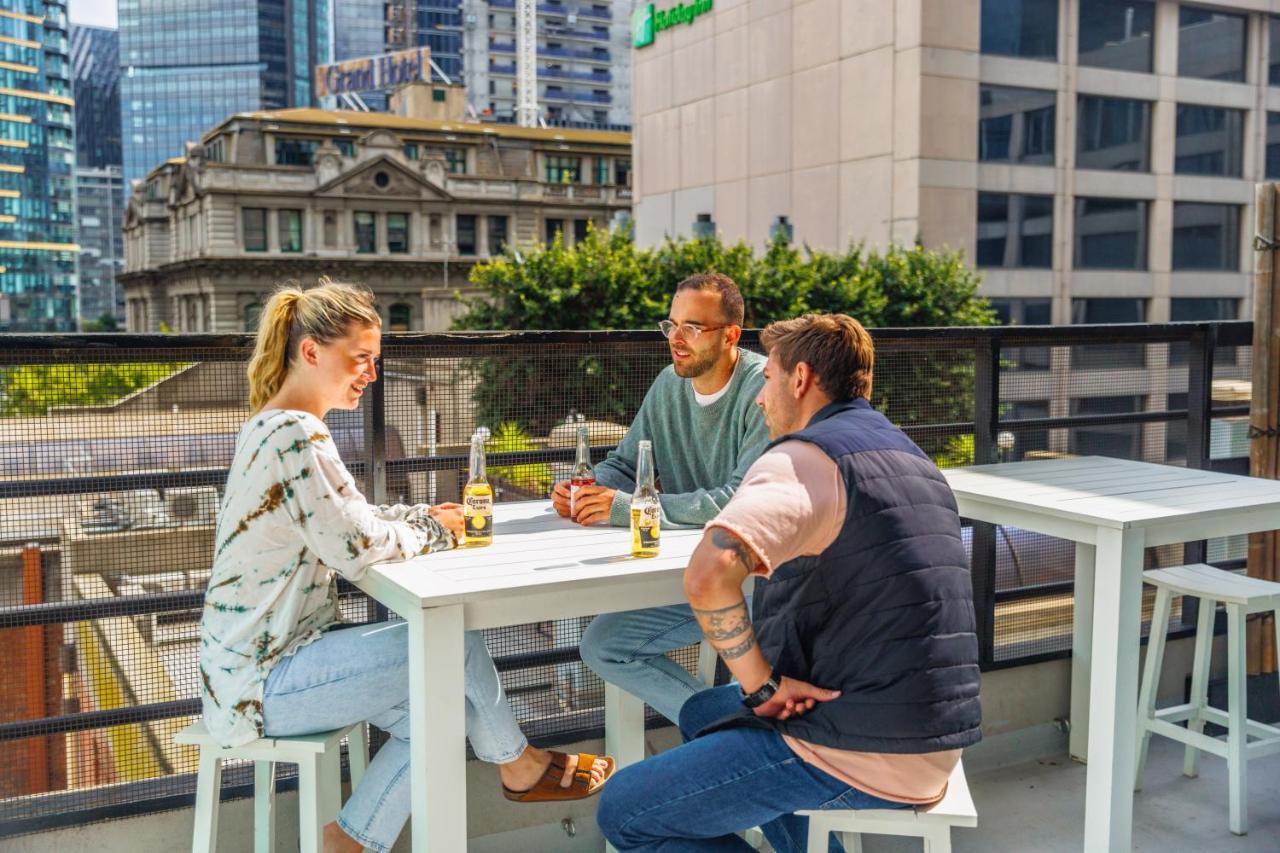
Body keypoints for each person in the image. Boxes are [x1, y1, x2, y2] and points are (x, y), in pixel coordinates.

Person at [198, 280, 613, 853]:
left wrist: (424, 515)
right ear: (311, 351)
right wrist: (437, 528)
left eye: (375, 359)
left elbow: (347, 518)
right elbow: (353, 547)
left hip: (253, 669)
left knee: (443, 711)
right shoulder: (297, 433)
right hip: (263, 682)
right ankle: (520, 765)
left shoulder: (272, 425)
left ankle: (349, 842)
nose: (370, 373)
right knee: (450, 645)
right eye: (360, 358)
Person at [595, 313, 982, 853]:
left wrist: (763, 687)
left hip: (860, 747)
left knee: (624, 811)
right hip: (932, 736)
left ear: (799, 379)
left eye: (768, 380)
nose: (758, 398)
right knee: (704, 712)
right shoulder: (910, 456)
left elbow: (707, 577)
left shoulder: (802, 459)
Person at [551, 272, 769, 724]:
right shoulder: (670, 383)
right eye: (670, 325)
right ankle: (726, 731)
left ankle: (737, 733)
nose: (676, 338)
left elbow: (738, 500)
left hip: (761, 582)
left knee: (746, 681)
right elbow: (627, 466)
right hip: (695, 570)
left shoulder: (763, 390)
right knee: (604, 645)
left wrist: (629, 508)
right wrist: (588, 488)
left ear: (731, 335)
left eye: (693, 327)